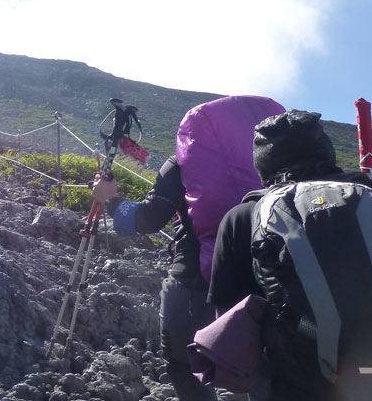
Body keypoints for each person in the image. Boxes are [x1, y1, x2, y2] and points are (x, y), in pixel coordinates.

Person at [209, 110, 372, 401]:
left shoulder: (243, 217)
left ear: (262, 165)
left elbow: (229, 317)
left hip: (302, 379)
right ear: (326, 150)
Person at [92, 95, 284, 401]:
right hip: (269, 287)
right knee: (265, 369)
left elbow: (148, 221)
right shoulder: (278, 165)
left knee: (182, 364)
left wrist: (110, 200)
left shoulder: (185, 162)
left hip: (196, 283)